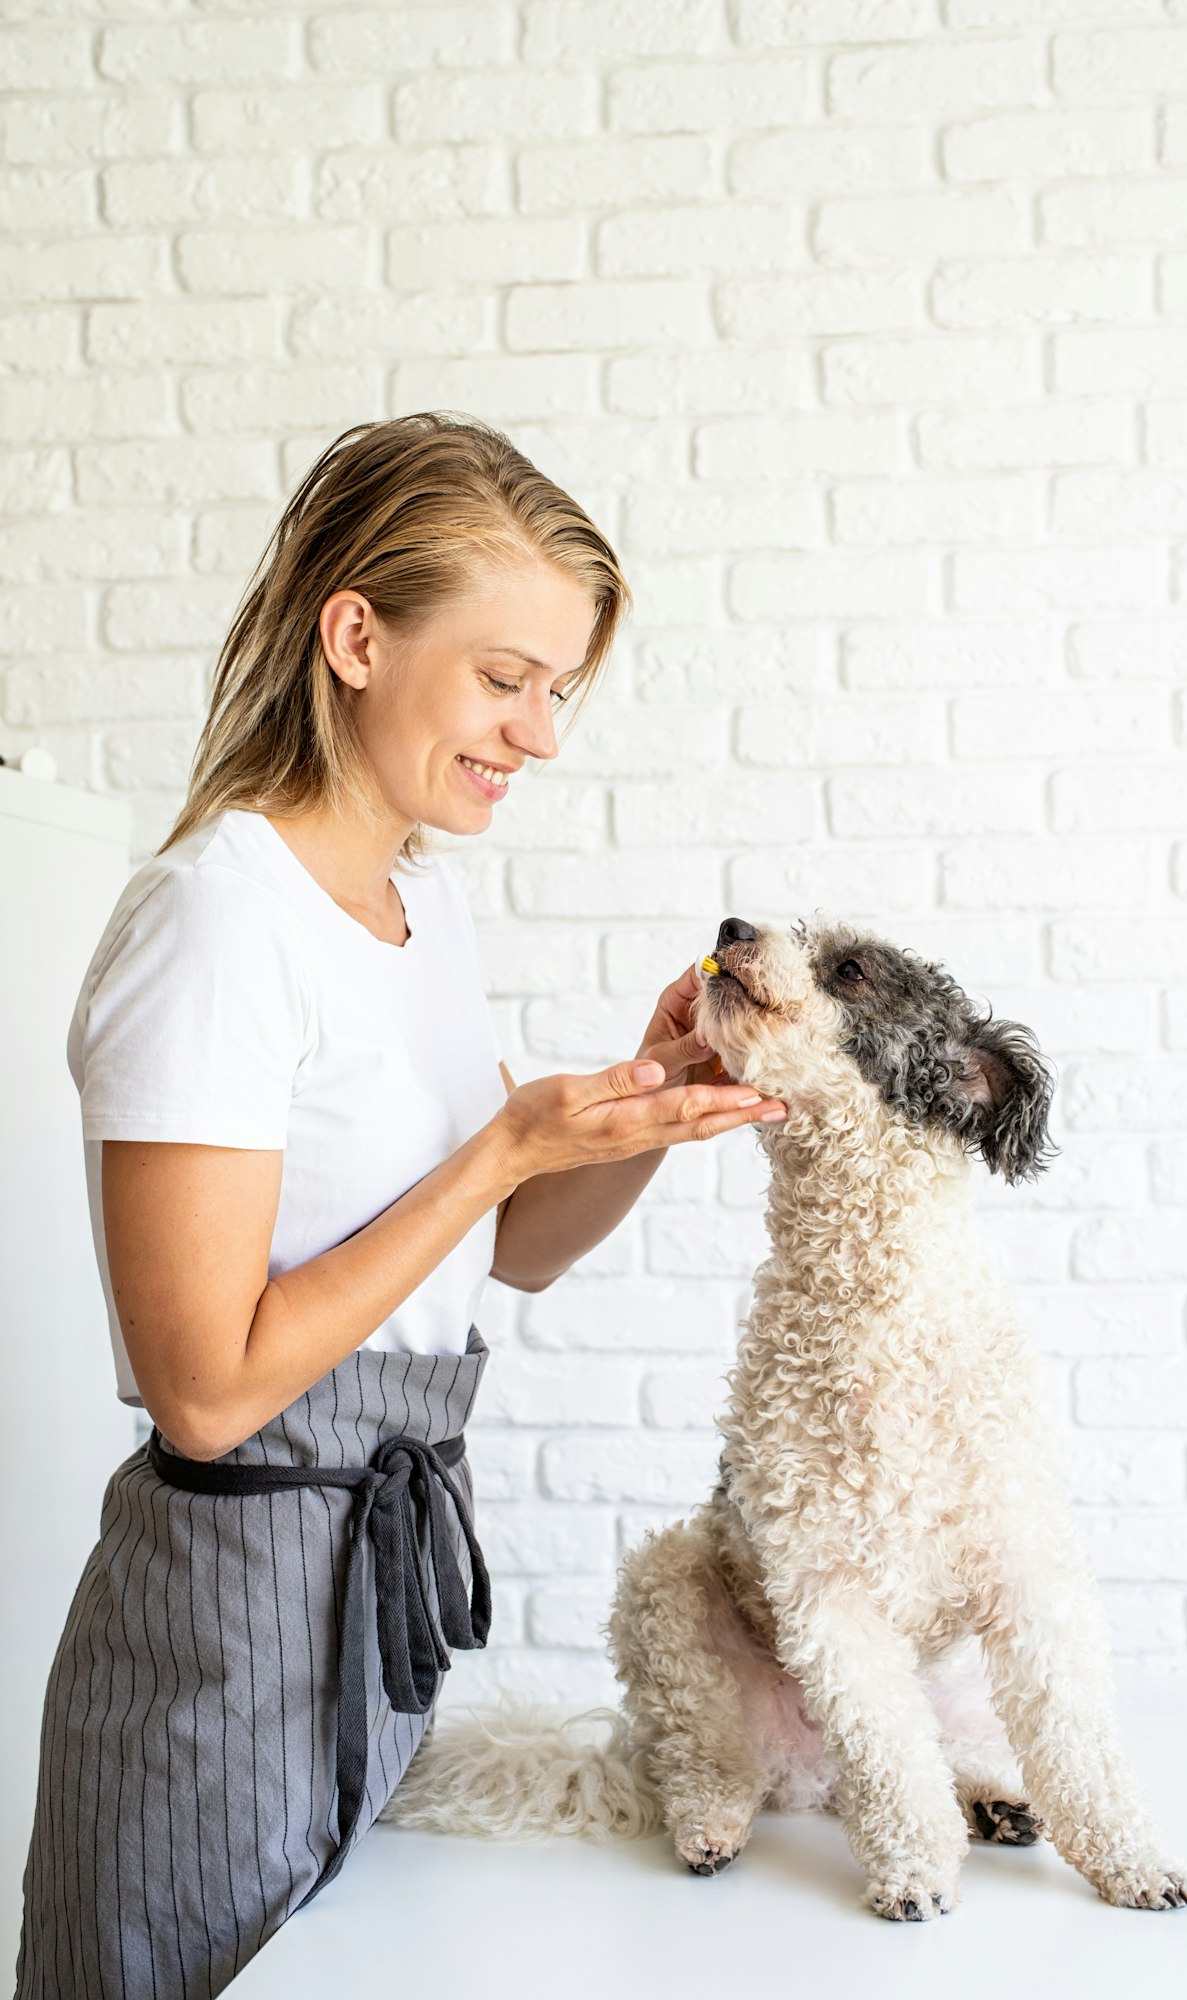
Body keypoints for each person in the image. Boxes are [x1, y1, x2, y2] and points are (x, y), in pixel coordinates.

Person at [12, 410, 788, 2000]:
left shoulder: (419, 908)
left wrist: (633, 1116)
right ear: (355, 636)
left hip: (368, 1613)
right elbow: (209, 1391)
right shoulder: (216, 918)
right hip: (217, 1649)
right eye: (506, 679)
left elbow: (505, 1255)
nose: (543, 734)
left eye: (559, 689)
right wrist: (505, 1145)